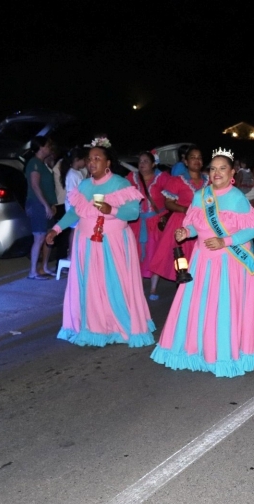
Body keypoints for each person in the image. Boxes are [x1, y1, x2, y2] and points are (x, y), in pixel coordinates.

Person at [151, 148, 254, 376]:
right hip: (202, 260)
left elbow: (251, 231)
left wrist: (225, 241)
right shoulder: (201, 196)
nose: (217, 172)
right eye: (213, 169)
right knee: (199, 306)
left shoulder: (237, 197)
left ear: (232, 172)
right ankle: (196, 349)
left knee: (222, 307)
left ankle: (221, 354)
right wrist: (185, 232)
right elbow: (193, 225)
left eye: (222, 168)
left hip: (228, 261)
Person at [45, 137, 156, 348]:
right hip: (86, 243)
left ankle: (118, 324)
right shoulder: (84, 186)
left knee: (114, 285)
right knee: (90, 286)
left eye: (97, 158)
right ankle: (94, 326)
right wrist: (56, 229)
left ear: (108, 163)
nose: (92, 162)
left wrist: (111, 210)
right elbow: (75, 213)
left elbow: (133, 213)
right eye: (89, 159)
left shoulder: (120, 184)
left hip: (113, 243)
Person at [150, 146, 208, 282]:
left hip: (204, 222)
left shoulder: (209, 181)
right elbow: (168, 203)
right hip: (182, 221)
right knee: (182, 257)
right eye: (193, 157)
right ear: (186, 162)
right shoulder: (177, 180)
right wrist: (184, 209)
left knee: (202, 257)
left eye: (199, 158)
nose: (196, 160)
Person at [128, 151, 170, 300]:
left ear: (153, 164)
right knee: (134, 255)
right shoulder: (132, 178)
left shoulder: (162, 178)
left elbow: (173, 195)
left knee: (154, 255)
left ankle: (153, 288)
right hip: (136, 223)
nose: (142, 164)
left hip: (155, 224)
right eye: (140, 161)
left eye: (146, 161)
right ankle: (136, 288)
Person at [25, 136, 57, 280]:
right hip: (38, 204)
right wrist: (45, 206)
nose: (49, 148)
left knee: (47, 236)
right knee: (39, 237)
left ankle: (43, 267)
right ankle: (32, 271)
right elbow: (35, 186)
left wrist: (51, 205)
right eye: (47, 145)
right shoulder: (34, 163)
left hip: (45, 205)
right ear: (41, 147)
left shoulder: (42, 163)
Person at [58, 147, 87, 259]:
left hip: (77, 206)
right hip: (73, 207)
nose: (85, 162)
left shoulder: (77, 173)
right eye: (84, 159)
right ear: (77, 159)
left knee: (76, 230)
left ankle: (75, 254)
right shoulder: (72, 174)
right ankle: (71, 255)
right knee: (74, 230)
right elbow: (71, 193)